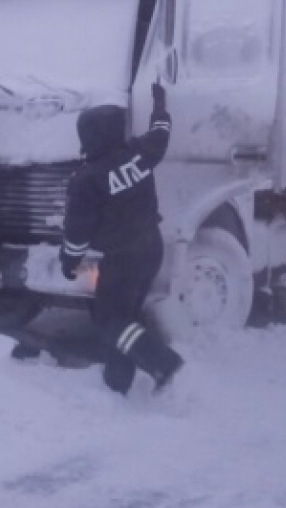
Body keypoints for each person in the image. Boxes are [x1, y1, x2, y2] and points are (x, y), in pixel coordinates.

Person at [59, 81, 183, 395]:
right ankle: (117, 382)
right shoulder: (140, 153)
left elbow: (77, 233)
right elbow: (161, 131)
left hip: (122, 258)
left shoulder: (86, 180)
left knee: (107, 319)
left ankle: (162, 362)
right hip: (152, 247)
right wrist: (159, 104)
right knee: (127, 316)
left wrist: (69, 263)